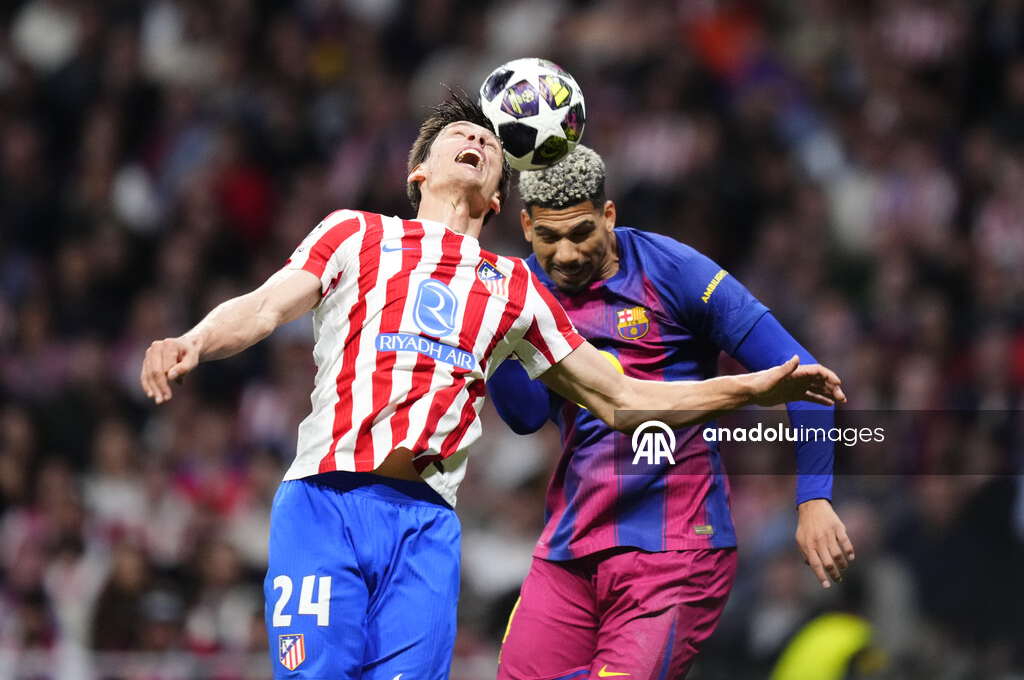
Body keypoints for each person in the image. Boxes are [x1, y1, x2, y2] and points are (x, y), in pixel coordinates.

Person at [139, 95, 845, 680]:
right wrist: (193, 340)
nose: (476, 138)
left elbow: (622, 397)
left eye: (486, 139)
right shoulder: (354, 234)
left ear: (502, 197)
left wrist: (749, 391)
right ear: (419, 172)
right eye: (458, 135)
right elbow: (264, 306)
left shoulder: (514, 289)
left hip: (427, 525)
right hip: (326, 500)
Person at [488, 145, 856, 680]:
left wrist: (814, 498)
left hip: (677, 548)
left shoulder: (675, 271)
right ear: (526, 226)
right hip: (570, 547)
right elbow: (525, 416)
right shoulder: (519, 289)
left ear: (608, 215)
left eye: (581, 233)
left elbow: (804, 380)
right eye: (549, 237)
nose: (565, 254)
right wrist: (500, 337)